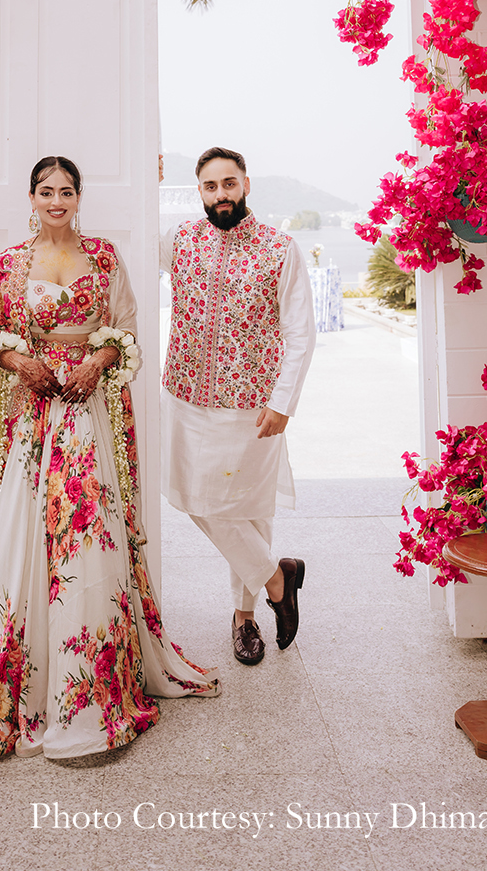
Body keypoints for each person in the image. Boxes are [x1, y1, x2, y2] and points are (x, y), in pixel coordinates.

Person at [0, 155, 218, 760]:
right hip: (27, 411)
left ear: (80, 197)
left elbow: (127, 329)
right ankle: (14, 680)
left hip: (84, 409)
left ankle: (83, 685)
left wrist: (97, 362)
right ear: (31, 198)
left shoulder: (105, 258)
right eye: (45, 191)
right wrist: (17, 361)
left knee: (84, 533)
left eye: (66, 191)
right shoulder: (8, 264)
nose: (56, 201)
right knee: (17, 529)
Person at [160, 146, 317, 667]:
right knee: (196, 500)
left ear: (246, 184)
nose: (221, 194)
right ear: (198, 191)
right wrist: (144, 178)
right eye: (210, 186)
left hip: (253, 408)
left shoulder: (279, 249)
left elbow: (300, 333)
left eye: (229, 183)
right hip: (186, 400)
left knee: (249, 510)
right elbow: (126, 243)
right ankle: (277, 579)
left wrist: (283, 403)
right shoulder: (178, 239)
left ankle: (244, 617)